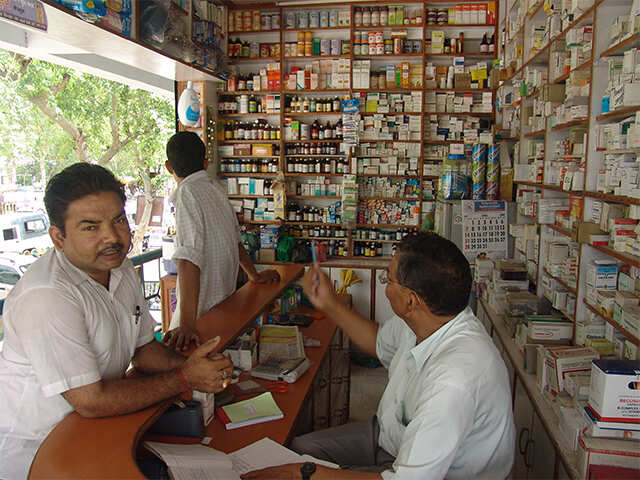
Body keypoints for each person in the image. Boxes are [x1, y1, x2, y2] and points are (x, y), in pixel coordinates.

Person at [0, 163, 233, 480]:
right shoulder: (47, 296)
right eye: (90, 227)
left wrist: (198, 366)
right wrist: (185, 378)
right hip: (35, 454)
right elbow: (91, 401)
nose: (111, 236)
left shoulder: (119, 269)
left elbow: (143, 349)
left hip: (90, 433)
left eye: (118, 220)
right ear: (58, 237)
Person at [242, 232, 515, 480]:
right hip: (390, 436)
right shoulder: (429, 318)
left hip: (435, 474)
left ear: (411, 300)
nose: (385, 283)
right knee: (299, 450)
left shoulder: (454, 380)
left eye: (388, 279)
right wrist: (328, 303)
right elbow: (378, 342)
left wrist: (306, 475)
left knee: (299, 471)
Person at [163, 132, 280, 351]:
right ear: (206, 163)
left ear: (169, 167)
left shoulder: (186, 193)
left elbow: (188, 260)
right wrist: (254, 275)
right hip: (221, 310)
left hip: (196, 321)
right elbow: (235, 241)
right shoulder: (216, 189)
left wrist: (186, 324)